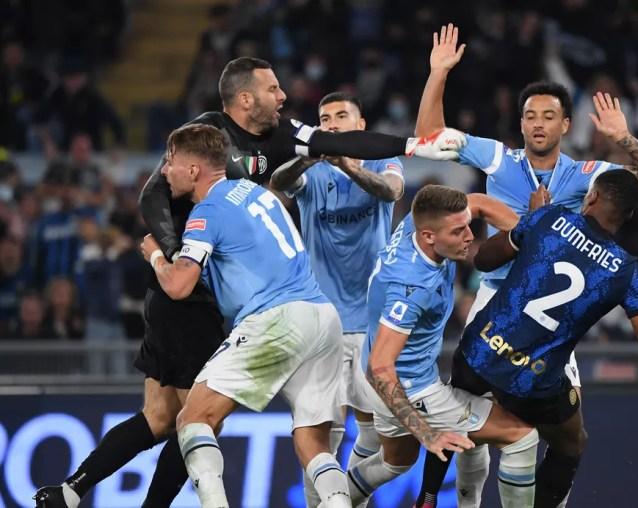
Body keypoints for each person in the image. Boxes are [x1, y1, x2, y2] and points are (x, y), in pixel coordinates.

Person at [33, 56, 465, 508]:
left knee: (186, 419)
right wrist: (173, 250)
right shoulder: (212, 145)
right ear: (244, 99)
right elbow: (153, 193)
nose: (283, 96)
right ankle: (74, 490)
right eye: (273, 88)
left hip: (245, 302)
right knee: (176, 418)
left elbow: (343, 145)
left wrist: (414, 146)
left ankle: (87, 493)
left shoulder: (275, 141)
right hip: (227, 298)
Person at [415, 24, 638, 507]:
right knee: (465, 406)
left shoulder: (586, 175)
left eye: (549, 116)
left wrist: (624, 138)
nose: (538, 123)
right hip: (497, 293)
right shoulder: (498, 157)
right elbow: (428, 136)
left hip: (551, 317)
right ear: (521, 125)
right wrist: (438, 75)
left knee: (565, 434)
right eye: (530, 115)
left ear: (564, 125)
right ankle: (436, 496)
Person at [423, 169, 638, 508]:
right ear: (628, 216)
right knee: (572, 444)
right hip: (532, 380)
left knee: (455, 403)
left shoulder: (548, 218)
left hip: (481, 349)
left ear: (591, 197)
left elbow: (486, 260)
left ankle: (427, 497)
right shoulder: (626, 270)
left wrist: (527, 224)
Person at [141, 124, 351, 507]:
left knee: (193, 420)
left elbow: (178, 285)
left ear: (193, 171)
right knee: (312, 445)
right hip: (322, 319)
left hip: (275, 319)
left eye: (170, 162)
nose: (165, 171)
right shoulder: (258, 192)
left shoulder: (208, 212)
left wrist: (155, 254)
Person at [345, 185, 539, 508]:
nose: (469, 237)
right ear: (429, 238)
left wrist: (531, 231)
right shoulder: (412, 287)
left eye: (466, 226)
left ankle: (331, 500)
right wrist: (427, 433)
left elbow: (475, 203)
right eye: (458, 231)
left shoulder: (416, 224)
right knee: (521, 436)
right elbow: (380, 368)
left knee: (396, 461)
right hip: (411, 390)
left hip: (383, 382)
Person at [270, 91, 404, 508]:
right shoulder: (312, 172)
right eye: (324, 119)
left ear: (360, 125)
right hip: (322, 319)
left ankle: (350, 496)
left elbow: (392, 192)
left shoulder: (381, 160)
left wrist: (348, 163)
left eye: (340, 117)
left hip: (371, 320)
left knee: (378, 432)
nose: (331, 124)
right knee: (321, 432)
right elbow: (279, 183)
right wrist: (311, 156)